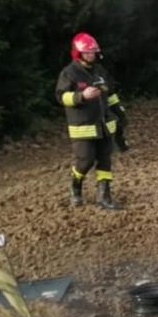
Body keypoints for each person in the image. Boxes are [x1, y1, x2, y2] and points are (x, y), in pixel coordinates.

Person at [56, 32, 128, 209]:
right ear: (78, 53)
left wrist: (120, 113)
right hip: (82, 128)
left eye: (93, 52)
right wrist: (82, 96)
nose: (91, 55)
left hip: (103, 126)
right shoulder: (69, 73)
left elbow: (110, 94)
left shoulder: (100, 72)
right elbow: (61, 97)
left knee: (105, 160)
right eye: (87, 52)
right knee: (86, 160)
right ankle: (76, 186)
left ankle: (104, 197)